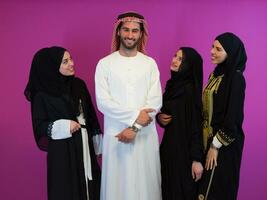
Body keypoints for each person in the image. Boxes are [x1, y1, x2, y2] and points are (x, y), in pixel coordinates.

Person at [95, 12, 162, 200]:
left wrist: (136, 127)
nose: (130, 35)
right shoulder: (105, 64)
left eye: (134, 30)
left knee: (146, 185)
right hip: (116, 136)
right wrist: (135, 117)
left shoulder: (149, 64)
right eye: (126, 30)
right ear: (118, 32)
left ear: (141, 34)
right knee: (117, 186)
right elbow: (104, 102)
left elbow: (155, 102)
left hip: (144, 136)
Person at [24, 46, 102, 200]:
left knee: (91, 186)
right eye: (65, 61)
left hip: (84, 145)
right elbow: (39, 126)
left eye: (70, 59)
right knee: (66, 188)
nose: (72, 63)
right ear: (52, 66)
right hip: (62, 151)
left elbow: (90, 115)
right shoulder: (42, 94)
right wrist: (66, 126)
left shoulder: (79, 85)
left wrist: (97, 142)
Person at [198, 32, 247, 200]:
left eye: (218, 49)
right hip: (209, 140)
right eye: (212, 47)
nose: (212, 51)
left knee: (215, 190)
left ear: (230, 53)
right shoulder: (216, 75)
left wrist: (215, 146)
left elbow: (233, 117)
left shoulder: (236, 78)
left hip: (224, 145)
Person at [157, 47, 204, 200]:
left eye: (180, 60)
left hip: (184, 154)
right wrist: (159, 118)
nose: (175, 61)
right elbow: (165, 112)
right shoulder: (172, 85)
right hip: (169, 149)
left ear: (188, 66)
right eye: (175, 56)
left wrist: (196, 159)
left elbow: (195, 125)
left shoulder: (189, 91)